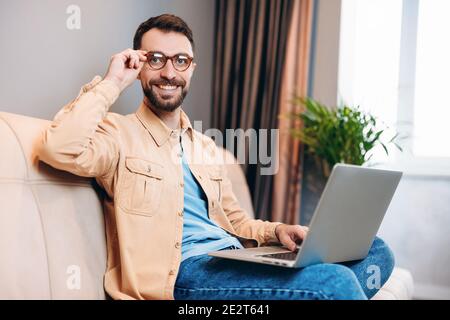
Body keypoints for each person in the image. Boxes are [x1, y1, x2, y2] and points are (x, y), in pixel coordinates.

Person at [37, 14, 394, 300]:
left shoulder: (206, 148)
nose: (169, 73)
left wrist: (278, 231)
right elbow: (59, 147)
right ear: (139, 65)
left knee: (376, 251)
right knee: (333, 283)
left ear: (192, 68)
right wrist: (113, 81)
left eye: (181, 61)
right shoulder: (117, 134)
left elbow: (237, 223)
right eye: (155, 59)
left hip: (232, 257)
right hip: (184, 275)